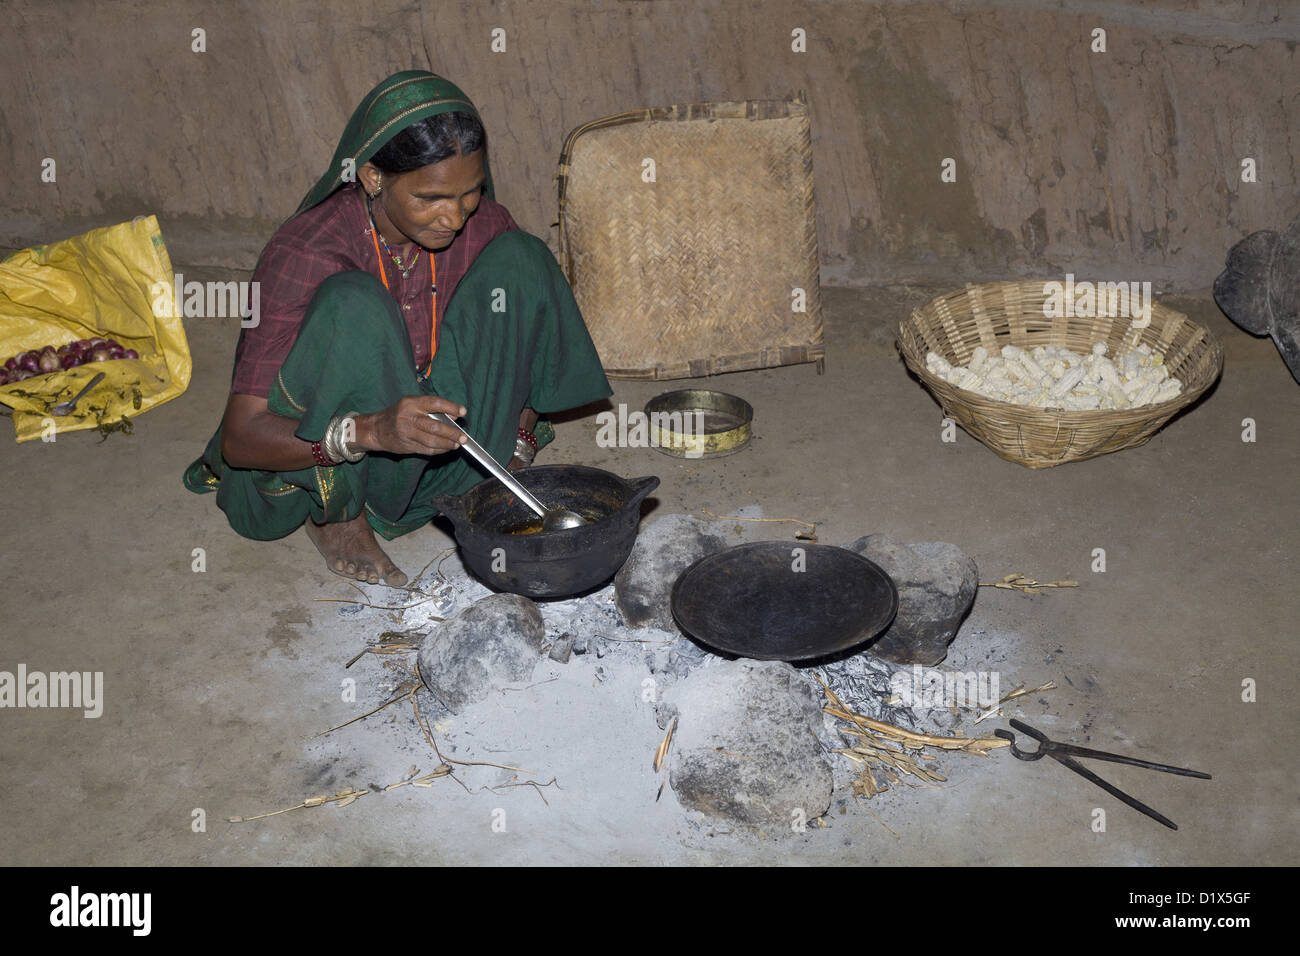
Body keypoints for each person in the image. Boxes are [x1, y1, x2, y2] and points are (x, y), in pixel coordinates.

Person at [183, 71, 612, 586]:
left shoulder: (483, 224)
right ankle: (339, 513)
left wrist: (518, 438)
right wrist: (371, 431)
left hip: (448, 446)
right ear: (372, 177)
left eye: (469, 192)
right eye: (430, 197)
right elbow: (242, 440)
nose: (453, 217)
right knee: (355, 300)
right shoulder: (305, 252)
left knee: (522, 258)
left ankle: (494, 467)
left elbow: (527, 329)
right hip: (346, 454)